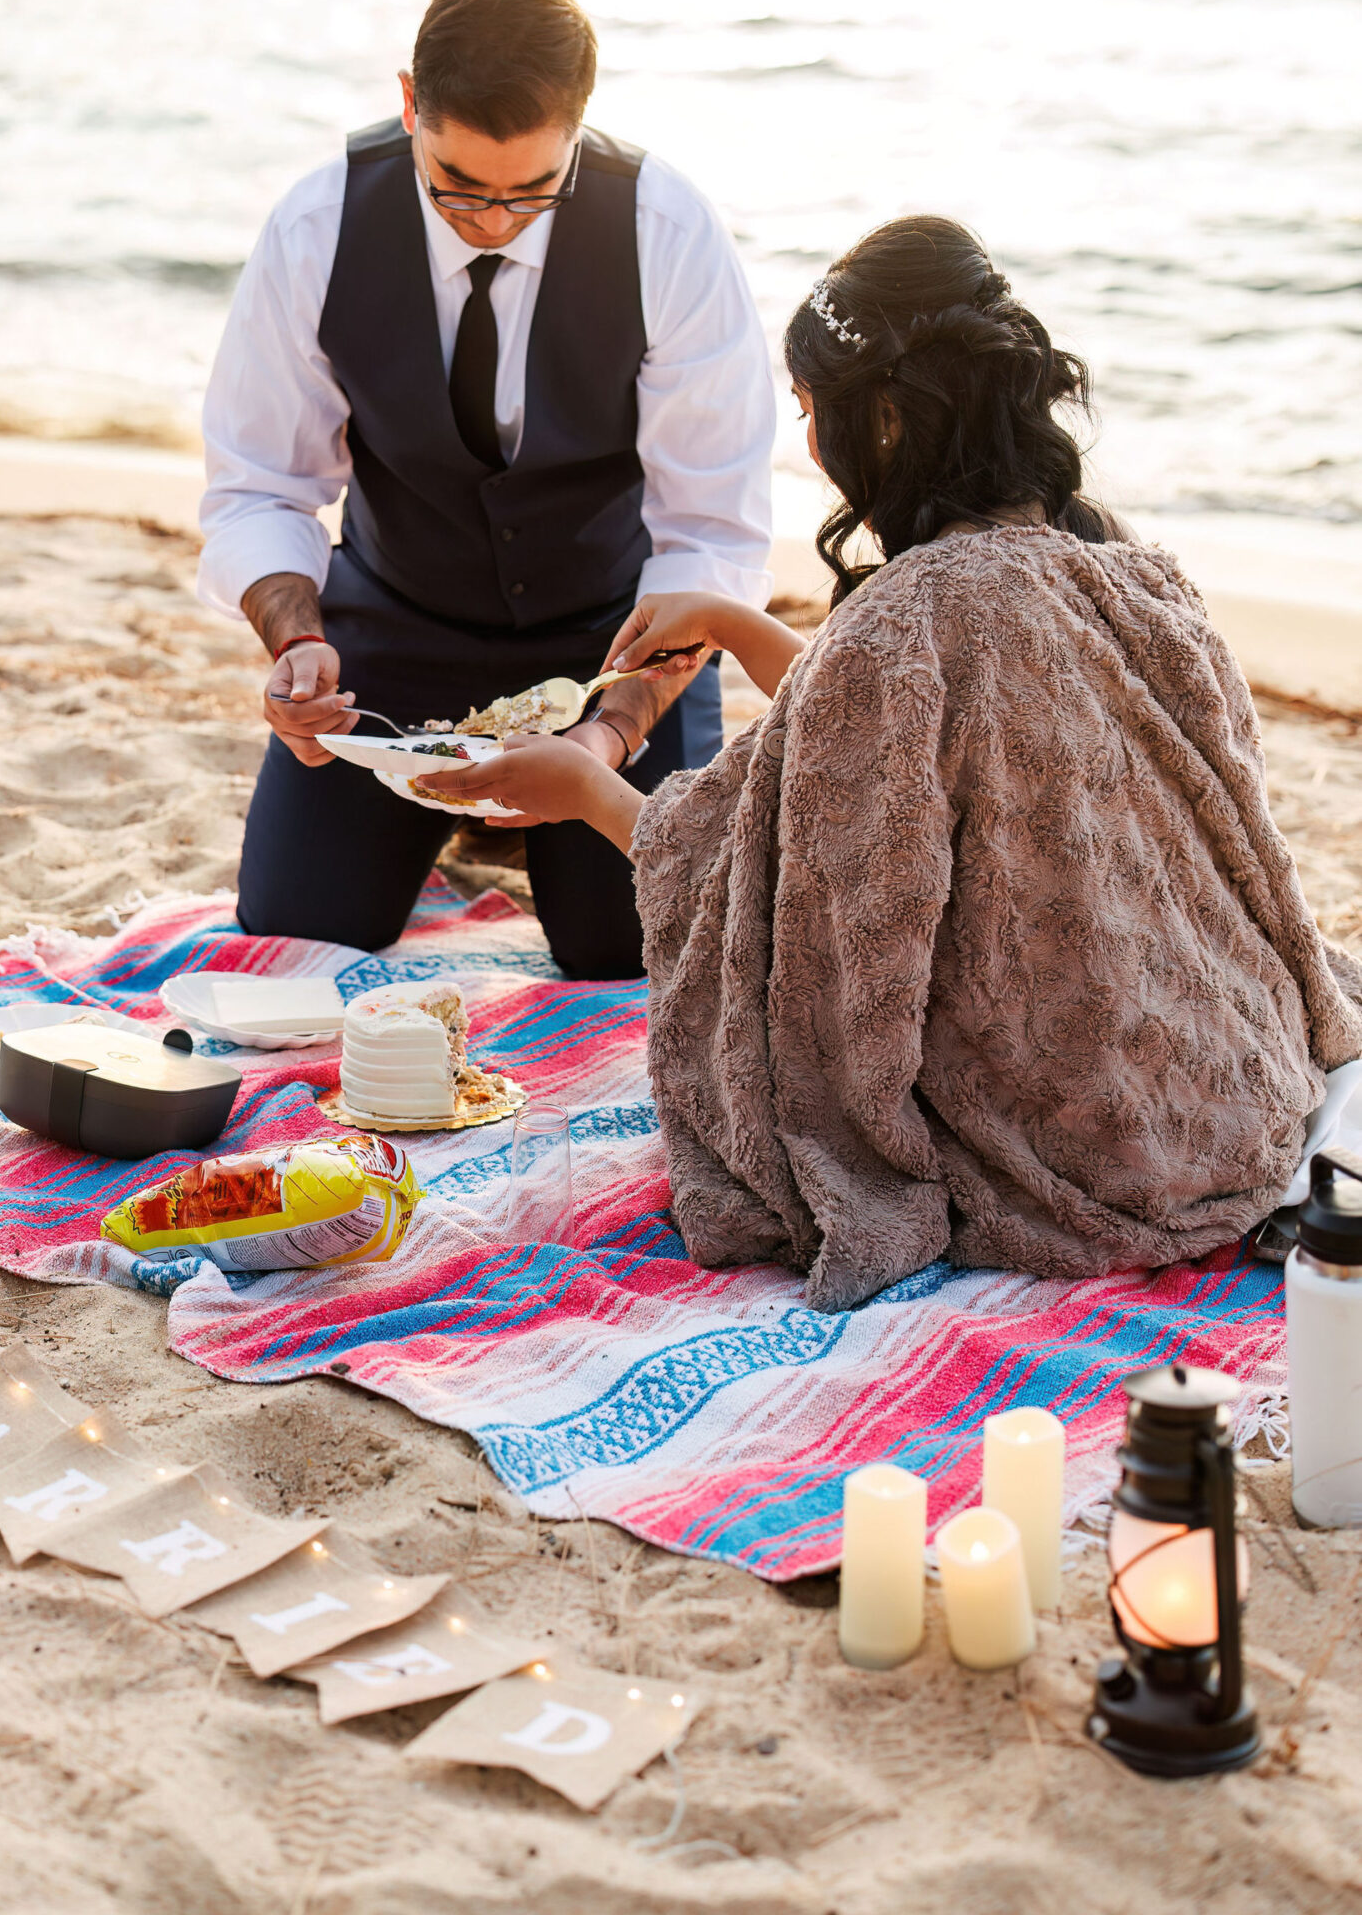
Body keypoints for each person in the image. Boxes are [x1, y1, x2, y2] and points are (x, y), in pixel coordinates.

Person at [420, 216, 1362, 1307]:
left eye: (814, 407)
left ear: (885, 416)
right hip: (1227, 1087)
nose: (807, 433)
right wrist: (730, 619)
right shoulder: (1124, 569)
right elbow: (888, 733)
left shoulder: (905, 627)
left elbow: (785, 905)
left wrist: (582, 788)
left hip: (1090, 1151)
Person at [198, 0, 776, 978]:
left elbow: (710, 537)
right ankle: (465, 829)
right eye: (458, 186)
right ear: (411, 102)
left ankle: (529, 835)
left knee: (625, 948)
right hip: (396, 622)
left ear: (579, 129)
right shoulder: (317, 226)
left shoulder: (669, 235)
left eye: (531, 192)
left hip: (615, 635)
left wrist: (606, 740)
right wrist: (296, 640)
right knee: (299, 923)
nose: (495, 221)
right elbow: (261, 483)